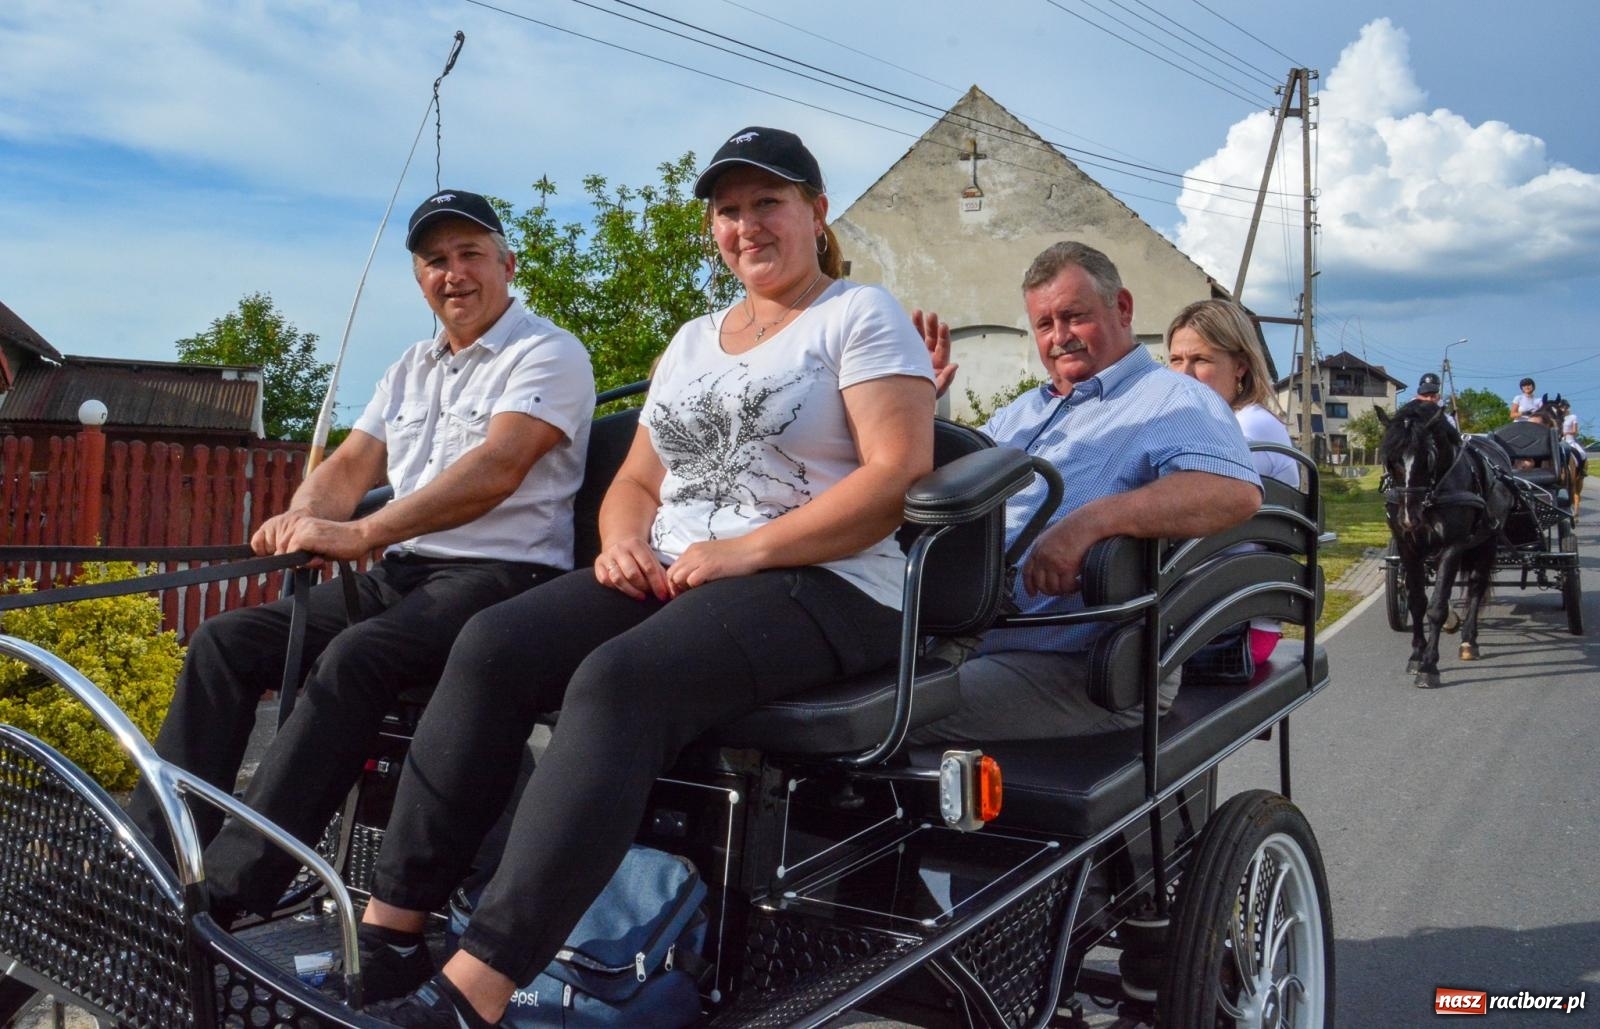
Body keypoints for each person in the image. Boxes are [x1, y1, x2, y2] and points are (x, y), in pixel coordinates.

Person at [358, 127, 936, 1028]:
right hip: (682, 567)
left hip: (828, 580)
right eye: (728, 209)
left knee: (619, 680)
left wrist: (745, 549)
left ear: (816, 213)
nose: (747, 224)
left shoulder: (859, 315)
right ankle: (391, 933)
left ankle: (476, 989)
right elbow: (635, 479)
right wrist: (622, 540)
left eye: (768, 203)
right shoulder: (693, 338)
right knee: (492, 645)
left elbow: (893, 479)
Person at [127, 189, 595, 934]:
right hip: (402, 576)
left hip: (503, 579)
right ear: (419, 279)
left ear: (508, 263)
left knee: (356, 658)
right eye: (435, 260)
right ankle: (151, 860)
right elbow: (350, 464)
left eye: (470, 254)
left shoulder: (548, 352)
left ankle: (233, 884)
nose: (454, 273)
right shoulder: (410, 365)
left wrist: (364, 528)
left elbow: (498, 467)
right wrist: (307, 516)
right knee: (226, 642)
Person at [907, 243, 1261, 746]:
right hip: (965, 636)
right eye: (1044, 325)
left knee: (884, 715)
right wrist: (919, 402)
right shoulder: (1023, 410)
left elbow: (1232, 492)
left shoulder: (1174, 398)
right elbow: (946, 486)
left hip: (1085, 667)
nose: (1059, 338)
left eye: (1074, 317)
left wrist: (1089, 522)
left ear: (1122, 309)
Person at [1164, 298, 1299, 665]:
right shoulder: (1217, 425)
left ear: (1240, 366)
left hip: (1227, 626)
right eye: (1176, 360)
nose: (1183, 374)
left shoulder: (1246, 429)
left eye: (1201, 360)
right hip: (1203, 613)